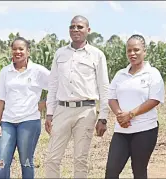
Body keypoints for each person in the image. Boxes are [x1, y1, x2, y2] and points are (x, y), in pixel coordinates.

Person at [44, 15, 110, 178]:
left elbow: (104, 86)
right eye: (72, 26)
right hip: (62, 109)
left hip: (86, 111)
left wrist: (103, 117)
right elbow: (53, 85)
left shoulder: (96, 55)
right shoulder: (60, 54)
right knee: (52, 158)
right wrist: (49, 113)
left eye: (79, 27)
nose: (75, 30)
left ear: (88, 30)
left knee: (80, 159)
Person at [105, 34, 165, 179]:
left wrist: (130, 114)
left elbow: (154, 100)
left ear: (144, 51)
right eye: (129, 50)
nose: (132, 54)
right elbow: (111, 97)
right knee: (111, 171)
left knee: (139, 171)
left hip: (145, 130)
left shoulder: (152, 74)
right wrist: (120, 115)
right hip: (121, 130)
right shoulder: (120, 74)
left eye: (136, 50)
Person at [0, 37, 50, 178]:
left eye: (21, 49)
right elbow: (1, 98)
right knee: (2, 163)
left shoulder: (37, 70)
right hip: (8, 122)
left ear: (28, 51)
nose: (17, 52)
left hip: (29, 121)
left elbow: (57, 87)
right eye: (14, 49)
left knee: (26, 162)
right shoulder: (5, 72)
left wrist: (44, 104)